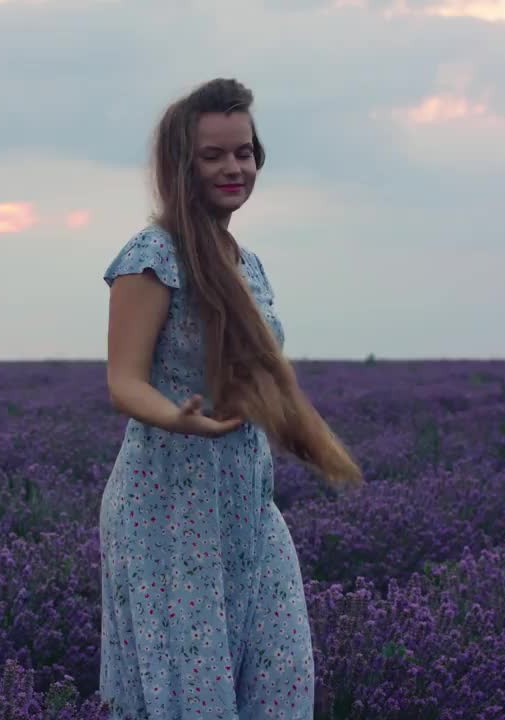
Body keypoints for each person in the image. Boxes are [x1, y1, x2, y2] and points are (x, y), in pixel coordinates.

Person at [98, 78, 363, 720]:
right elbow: (123, 379)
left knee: (282, 684)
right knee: (191, 701)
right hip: (168, 507)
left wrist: (307, 438)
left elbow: (266, 379)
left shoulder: (250, 264)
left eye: (243, 152)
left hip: (247, 504)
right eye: (213, 154)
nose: (233, 167)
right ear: (180, 165)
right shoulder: (152, 256)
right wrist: (179, 418)